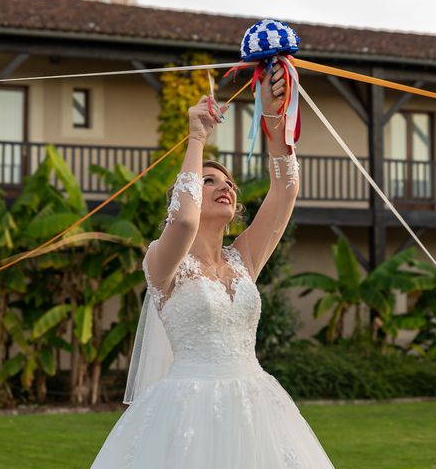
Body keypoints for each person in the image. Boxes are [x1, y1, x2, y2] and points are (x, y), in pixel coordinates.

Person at [91, 60, 334, 468]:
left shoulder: (245, 259)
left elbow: (286, 189)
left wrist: (274, 112)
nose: (225, 186)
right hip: (186, 409)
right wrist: (197, 137)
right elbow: (185, 220)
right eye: (209, 181)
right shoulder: (162, 262)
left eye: (229, 184)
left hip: (257, 404)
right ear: (185, 193)